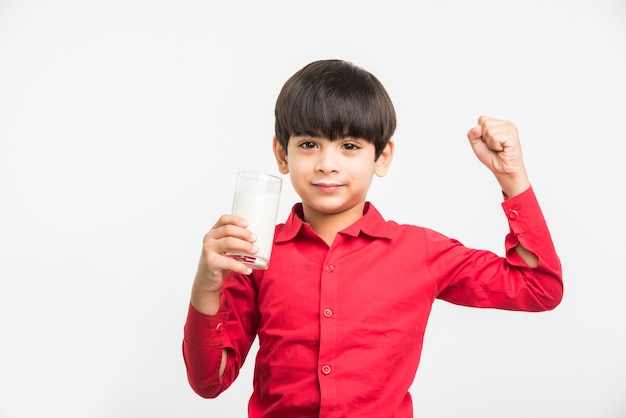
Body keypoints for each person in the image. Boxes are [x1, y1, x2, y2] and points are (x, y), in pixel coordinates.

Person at [182, 59, 563, 417]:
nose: (327, 163)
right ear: (282, 154)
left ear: (381, 157)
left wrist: (512, 178)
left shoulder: (420, 252)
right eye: (309, 144)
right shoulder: (254, 253)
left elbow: (537, 287)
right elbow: (209, 381)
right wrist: (207, 282)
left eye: (349, 146)